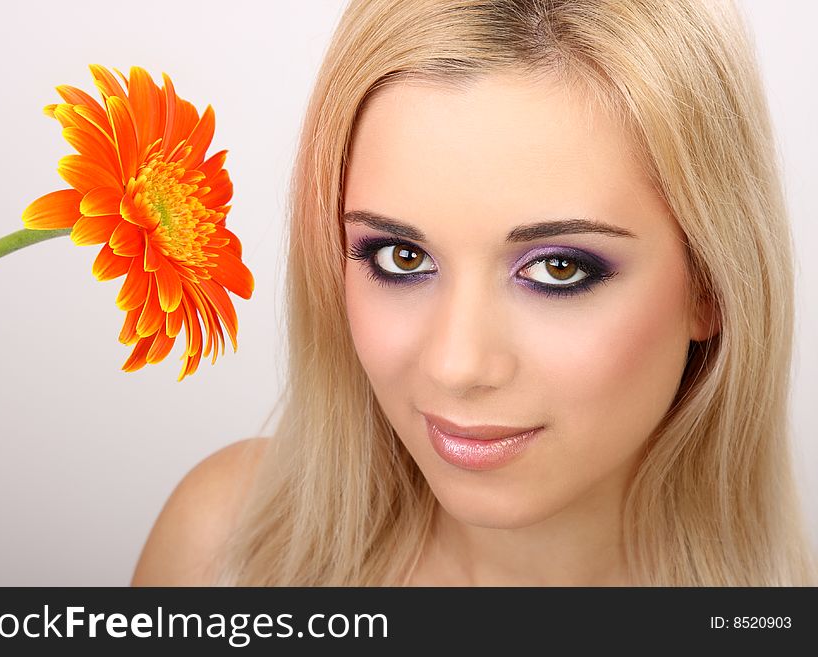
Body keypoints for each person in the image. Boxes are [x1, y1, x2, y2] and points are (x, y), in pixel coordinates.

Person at [131, 0, 817, 586]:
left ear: (711, 285)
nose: (457, 364)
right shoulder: (226, 552)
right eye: (401, 258)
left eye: (557, 269)